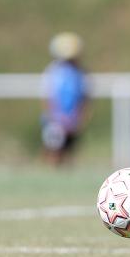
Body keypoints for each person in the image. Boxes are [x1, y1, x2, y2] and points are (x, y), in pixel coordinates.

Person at [41, 32, 89, 166]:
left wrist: (81, 116)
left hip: (73, 119)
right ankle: (50, 172)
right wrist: (53, 117)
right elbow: (48, 96)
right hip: (56, 119)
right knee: (54, 148)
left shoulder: (80, 73)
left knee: (70, 148)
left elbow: (84, 97)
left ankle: (65, 174)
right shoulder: (54, 72)